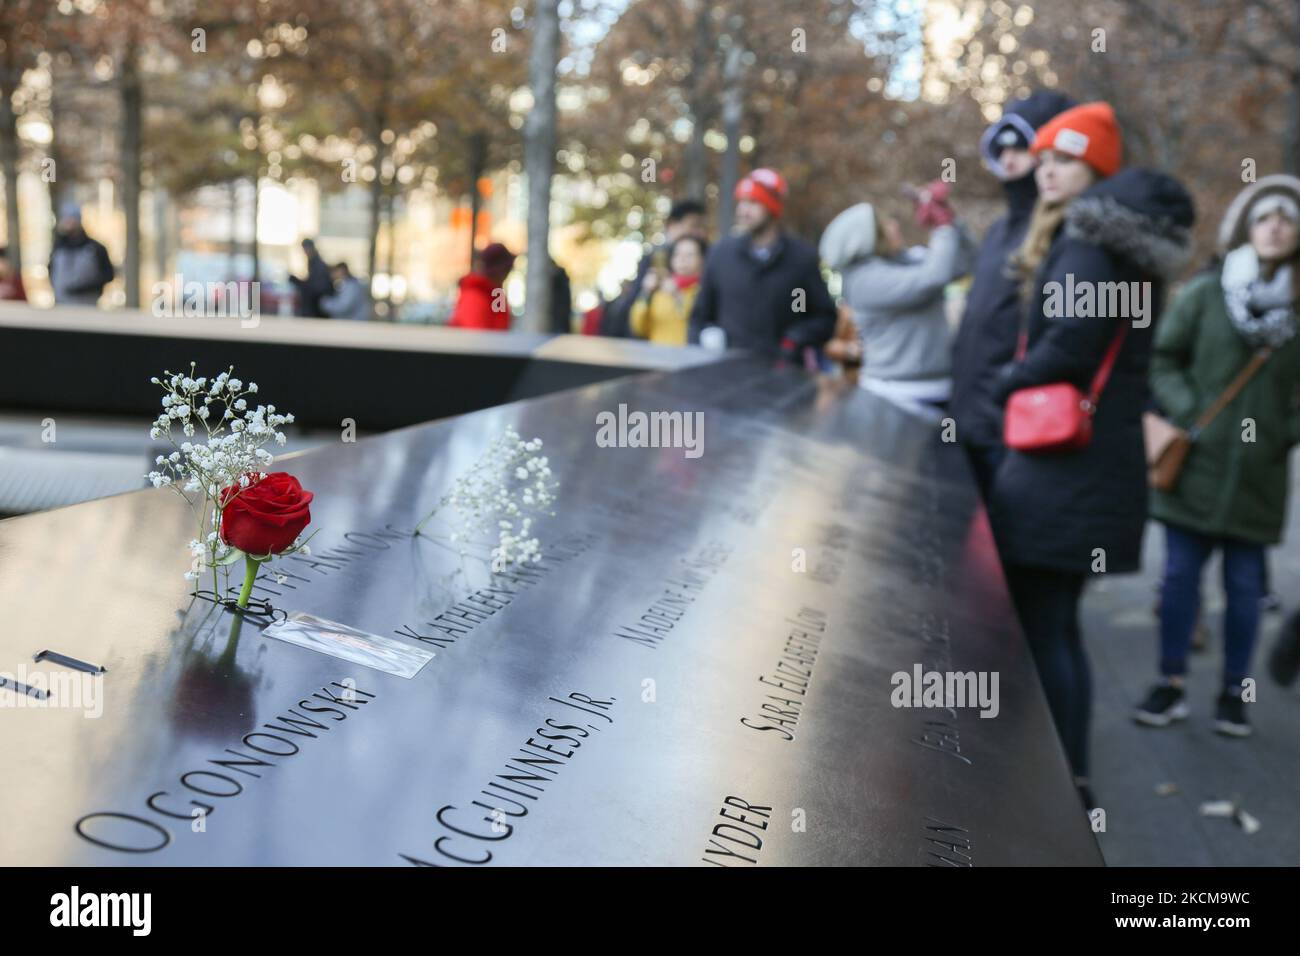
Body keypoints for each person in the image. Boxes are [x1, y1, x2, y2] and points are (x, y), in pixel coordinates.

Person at [985, 102, 1195, 808]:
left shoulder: (1087, 244)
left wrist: (1009, 379)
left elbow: (1071, 342)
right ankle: (1071, 782)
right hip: (1090, 466)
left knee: (1046, 629)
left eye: (1064, 160)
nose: (1047, 169)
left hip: (1061, 469)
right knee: (1059, 626)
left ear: (1097, 171)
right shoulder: (1118, 244)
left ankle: (1062, 789)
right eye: (1043, 158)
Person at [1135, 174, 1300, 736]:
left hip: (1260, 476)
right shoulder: (1207, 294)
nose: (1276, 226)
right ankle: (1170, 683)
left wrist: (1280, 432)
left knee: (1246, 590)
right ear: (1246, 228)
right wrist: (1189, 411)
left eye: (1287, 217)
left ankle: (1235, 692)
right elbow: (1164, 359)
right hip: (1195, 468)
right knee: (1180, 579)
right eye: (1265, 216)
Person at [950, 91, 1076, 498]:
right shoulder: (998, 231)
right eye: (1001, 148)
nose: (1009, 158)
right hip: (969, 418)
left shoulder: (1063, 236)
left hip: (1016, 426)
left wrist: (1006, 393)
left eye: (1022, 147)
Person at [819, 184, 976, 414]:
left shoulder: (906, 261)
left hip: (935, 388)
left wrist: (952, 221)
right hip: (894, 394)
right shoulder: (863, 281)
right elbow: (933, 277)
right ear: (868, 238)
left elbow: (964, 263)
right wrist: (941, 229)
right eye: (886, 224)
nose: (895, 226)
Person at [689, 168, 837, 360]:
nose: (743, 210)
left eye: (753, 202)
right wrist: (704, 341)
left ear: (773, 207)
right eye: (741, 202)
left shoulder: (801, 259)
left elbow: (822, 317)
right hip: (727, 373)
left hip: (782, 375)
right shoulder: (721, 254)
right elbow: (700, 315)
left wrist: (795, 339)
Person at [603, 198, 706, 338]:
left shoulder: (699, 288)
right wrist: (646, 292)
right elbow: (637, 317)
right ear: (673, 225)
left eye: (689, 255)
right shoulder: (654, 258)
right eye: (693, 225)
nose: (698, 232)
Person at [629, 235, 707, 345]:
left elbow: (696, 322)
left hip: (690, 358)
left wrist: (677, 295)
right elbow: (638, 326)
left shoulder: (704, 291)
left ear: (702, 259)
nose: (682, 259)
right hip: (658, 358)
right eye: (677, 254)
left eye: (690, 255)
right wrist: (646, 292)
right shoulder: (661, 292)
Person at [48, 202, 114, 306]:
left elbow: (108, 275)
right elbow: (51, 272)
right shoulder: (58, 249)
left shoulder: (95, 249)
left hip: (87, 306)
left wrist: (83, 288)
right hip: (61, 306)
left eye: (72, 219)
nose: (69, 223)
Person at [448, 241, 515, 330]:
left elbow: (502, 327)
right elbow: (475, 338)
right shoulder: (475, 296)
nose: (507, 274)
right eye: (507, 270)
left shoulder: (496, 294)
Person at [291, 238, 334, 318]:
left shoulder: (318, 264)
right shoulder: (312, 262)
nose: (305, 251)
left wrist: (298, 282)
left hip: (317, 306)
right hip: (316, 304)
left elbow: (316, 286)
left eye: (306, 248)